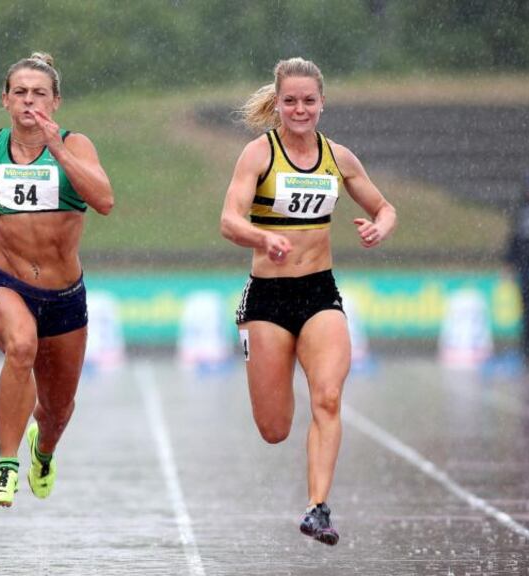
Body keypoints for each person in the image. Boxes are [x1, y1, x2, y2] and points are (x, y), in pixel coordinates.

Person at [219, 57, 396, 545]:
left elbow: (384, 206)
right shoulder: (259, 154)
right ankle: (264, 363)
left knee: (329, 396)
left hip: (320, 292)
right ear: (278, 104)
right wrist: (262, 239)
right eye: (291, 101)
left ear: (322, 104)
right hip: (268, 299)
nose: (300, 109)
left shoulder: (338, 158)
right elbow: (229, 221)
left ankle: (318, 507)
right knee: (275, 428)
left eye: (309, 101)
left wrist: (380, 224)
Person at [0, 52, 114, 507]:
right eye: (20, 93)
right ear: (5, 100)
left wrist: (56, 148)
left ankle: (43, 449)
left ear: (56, 102)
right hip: (5, 284)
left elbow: (105, 200)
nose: (29, 102)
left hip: (64, 298)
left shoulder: (76, 146)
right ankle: (5, 467)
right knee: (21, 344)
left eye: (39, 94)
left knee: (58, 411)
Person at [505, 173, 529, 370]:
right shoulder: (521, 212)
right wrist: (508, 265)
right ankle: (525, 352)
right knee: (526, 313)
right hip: (525, 271)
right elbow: (513, 242)